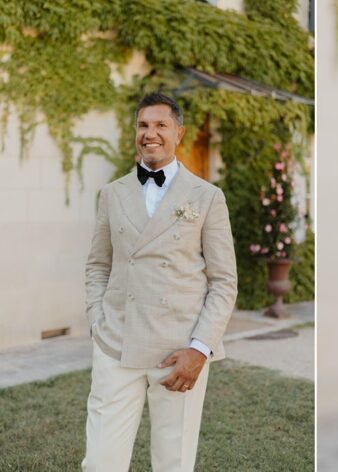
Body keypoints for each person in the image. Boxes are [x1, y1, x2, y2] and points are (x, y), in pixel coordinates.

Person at [83, 92, 237, 471]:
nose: (150, 133)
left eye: (161, 125)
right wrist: (96, 322)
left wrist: (200, 349)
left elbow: (223, 281)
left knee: (173, 463)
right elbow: (98, 265)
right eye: (143, 125)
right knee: (101, 461)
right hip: (116, 344)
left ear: (179, 133)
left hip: (179, 351)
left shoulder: (207, 196)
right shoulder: (112, 193)